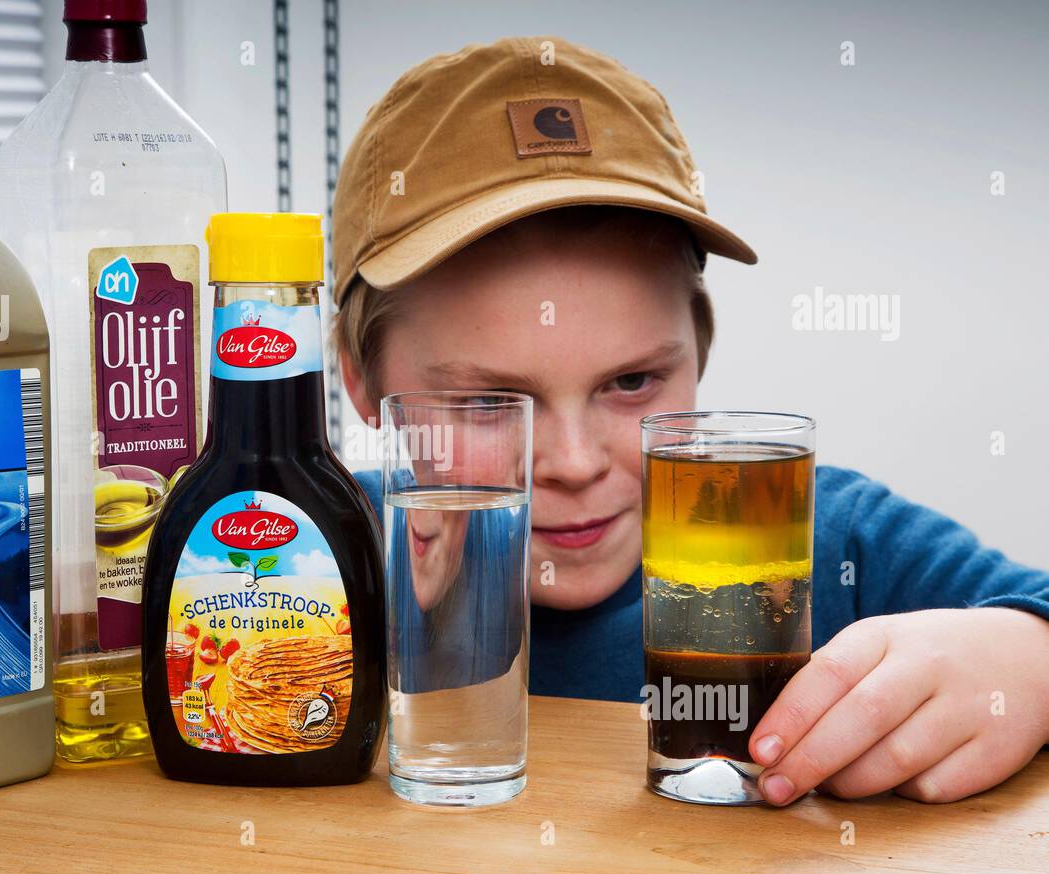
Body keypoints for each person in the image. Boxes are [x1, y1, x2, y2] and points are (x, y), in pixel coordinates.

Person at [328, 36, 1049, 806]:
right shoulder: (306, 556)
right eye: (486, 403)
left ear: (699, 352)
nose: (573, 461)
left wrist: (1024, 660)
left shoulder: (824, 538)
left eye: (632, 380)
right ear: (361, 379)